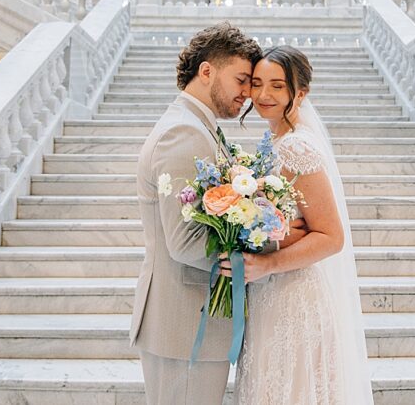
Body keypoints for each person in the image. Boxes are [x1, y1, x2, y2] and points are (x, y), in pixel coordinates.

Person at [130, 24, 305, 405]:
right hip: (185, 324)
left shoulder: (198, 128)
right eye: (242, 80)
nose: (249, 94)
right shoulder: (184, 134)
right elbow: (186, 242)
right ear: (207, 71)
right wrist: (269, 242)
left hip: (190, 324)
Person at [229, 46, 374, 405]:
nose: (263, 95)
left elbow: (331, 236)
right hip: (269, 291)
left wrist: (267, 263)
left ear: (300, 93)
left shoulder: (296, 148)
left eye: (277, 86)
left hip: (293, 294)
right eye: (257, 83)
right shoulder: (274, 143)